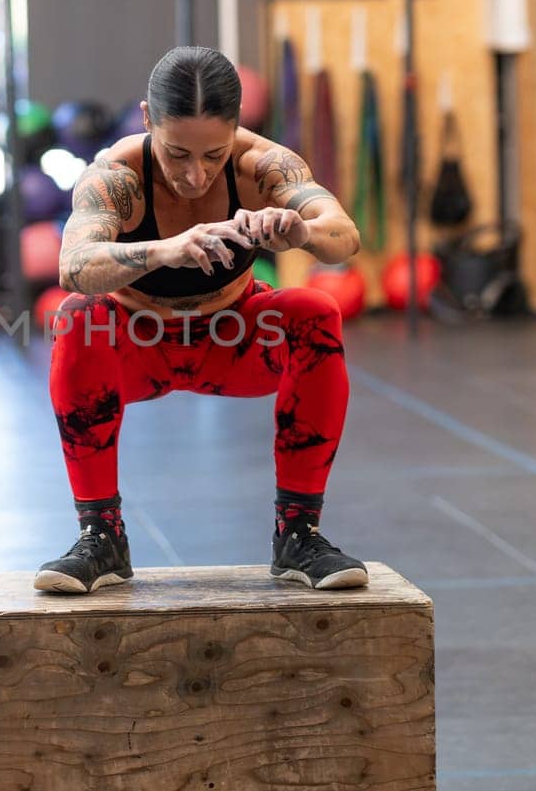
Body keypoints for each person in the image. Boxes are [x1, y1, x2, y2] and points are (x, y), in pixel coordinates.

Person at [35, 45, 365, 594]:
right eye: (177, 153)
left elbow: (344, 235)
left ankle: (298, 534)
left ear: (237, 129)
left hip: (230, 345)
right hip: (137, 352)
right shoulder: (118, 176)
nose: (195, 174)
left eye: (213, 155)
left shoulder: (263, 166)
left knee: (315, 310)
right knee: (78, 317)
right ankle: (102, 535)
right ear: (146, 120)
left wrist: (300, 231)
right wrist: (166, 250)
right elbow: (72, 265)